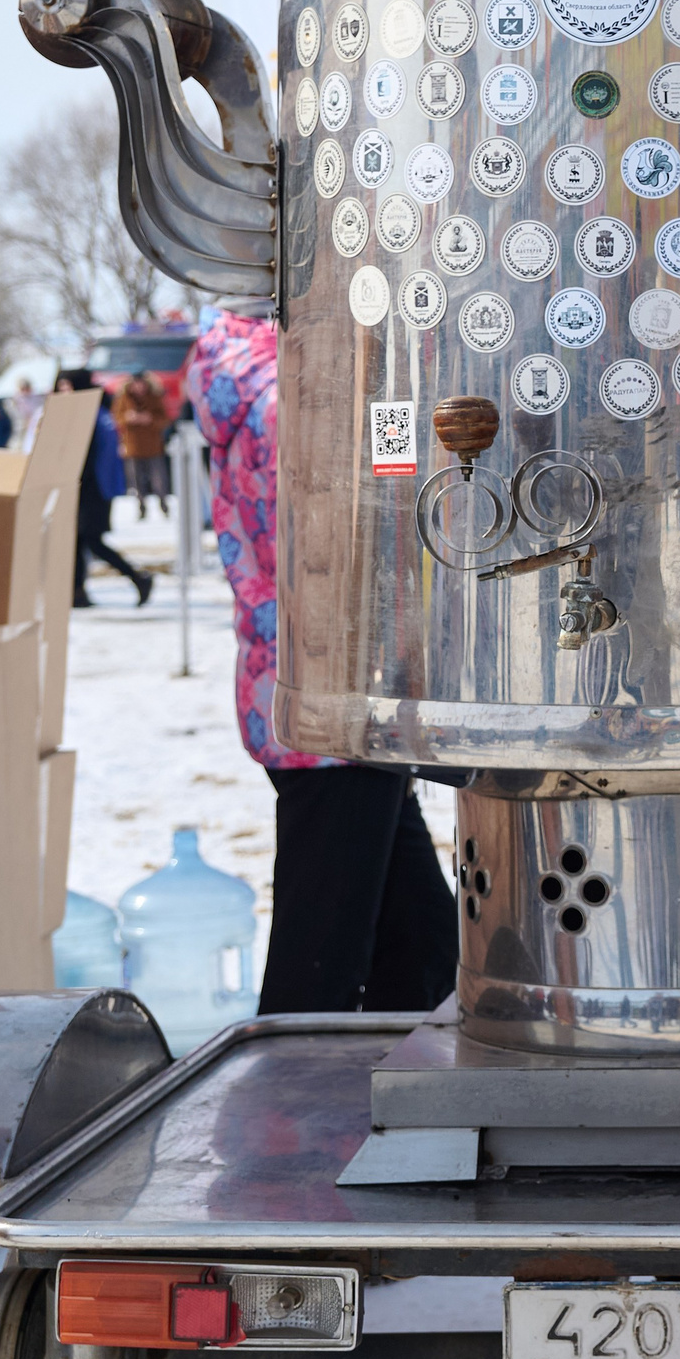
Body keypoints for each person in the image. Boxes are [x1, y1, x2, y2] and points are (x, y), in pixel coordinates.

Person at [183, 306, 456, 1013]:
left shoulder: (261, 380)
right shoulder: (316, 390)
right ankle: (292, 1104)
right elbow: (387, 495)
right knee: (321, 962)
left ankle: (387, 1079)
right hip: (339, 696)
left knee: (423, 939)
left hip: (319, 690)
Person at [56, 368, 152, 608]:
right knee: (78, 540)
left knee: (91, 540)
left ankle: (138, 577)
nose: (63, 391)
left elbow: (87, 458)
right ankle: (78, 593)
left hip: (93, 489)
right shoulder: (97, 410)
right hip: (93, 488)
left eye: (67, 386)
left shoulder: (88, 414)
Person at [115, 370, 173, 516]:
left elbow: (164, 419)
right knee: (136, 479)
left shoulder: (154, 397)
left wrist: (150, 419)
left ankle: (163, 503)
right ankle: (141, 506)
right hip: (133, 445)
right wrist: (128, 419)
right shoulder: (124, 398)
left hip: (152, 445)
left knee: (158, 478)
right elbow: (116, 418)